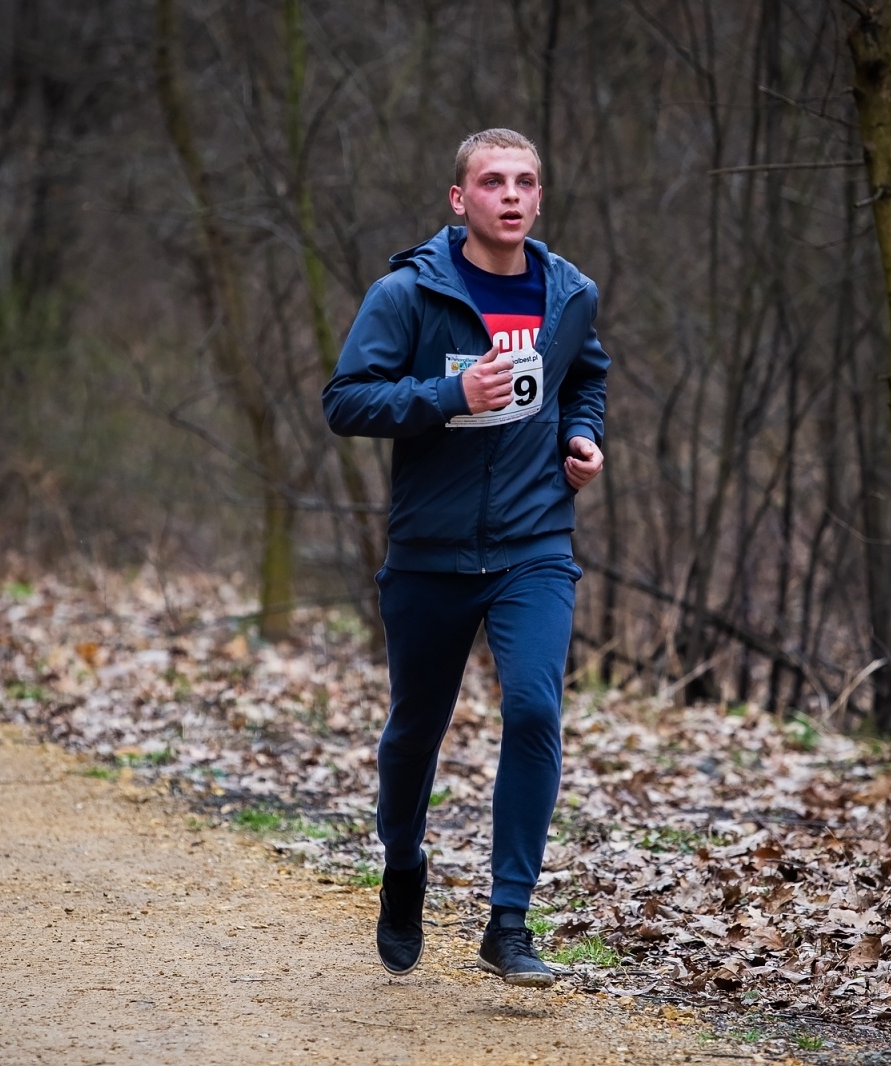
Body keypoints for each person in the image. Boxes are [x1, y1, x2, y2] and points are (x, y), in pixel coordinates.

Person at [323, 129, 608, 987]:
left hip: (533, 543)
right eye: (493, 182)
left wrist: (583, 436)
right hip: (430, 551)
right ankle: (403, 861)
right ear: (460, 200)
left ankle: (508, 922)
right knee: (417, 730)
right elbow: (346, 400)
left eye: (525, 182)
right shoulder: (407, 293)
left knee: (532, 709)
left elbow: (585, 377)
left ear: (539, 197)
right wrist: (451, 394)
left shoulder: (570, 296)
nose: (511, 196)